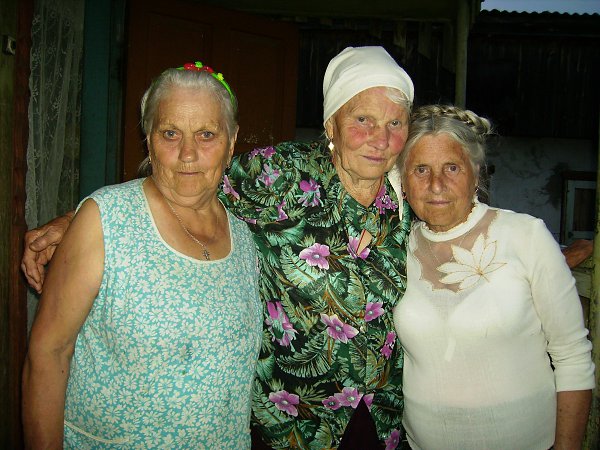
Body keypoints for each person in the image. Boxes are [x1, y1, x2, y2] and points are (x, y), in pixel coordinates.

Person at [22, 46, 414, 449]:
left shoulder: (411, 195)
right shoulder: (281, 175)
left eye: (394, 123)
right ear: (331, 124)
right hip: (295, 426)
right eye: (362, 119)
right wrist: (77, 222)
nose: (380, 139)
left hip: (379, 418)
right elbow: (187, 184)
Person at [22, 62, 263, 448]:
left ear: (231, 142)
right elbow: (48, 353)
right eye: (170, 133)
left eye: (206, 134)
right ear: (149, 139)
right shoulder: (106, 220)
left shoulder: (244, 239)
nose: (188, 154)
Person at [392, 104, 595, 450]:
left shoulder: (525, 235)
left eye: (452, 167)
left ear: (475, 174)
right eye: (421, 169)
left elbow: (572, 356)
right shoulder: (396, 250)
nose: (436, 184)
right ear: (403, 182)